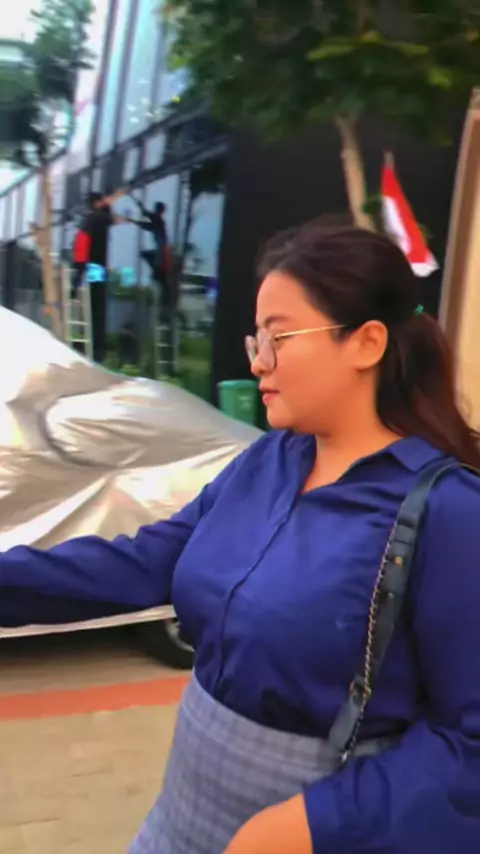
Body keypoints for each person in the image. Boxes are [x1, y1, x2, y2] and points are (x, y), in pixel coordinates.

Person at [1, 223, 480, 854]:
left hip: (316, 830)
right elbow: (149, 562)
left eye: (280, 337)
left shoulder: (449, 511)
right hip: (184, 809)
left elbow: (467, 744)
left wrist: (313, 824)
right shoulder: (268, 461)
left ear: (365, 343)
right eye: (257, 338)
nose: (257, 361)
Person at [72, 188, 128, 363]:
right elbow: (114, 218)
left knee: (93, 301)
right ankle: (97, 350)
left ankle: (95, 346)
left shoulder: (89, 219)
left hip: (86, 262)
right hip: (94, 264)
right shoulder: (97, 218)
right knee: (97, 304)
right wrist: (117, 198)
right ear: (97, 203)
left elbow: (110, 216)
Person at [129, 198, 171, 310]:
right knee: (160, 277)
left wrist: (135, 220)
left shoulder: (159, 220)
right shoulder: (158, 219)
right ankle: (161, 300)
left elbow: (148, 221)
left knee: (160, 276)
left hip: (161, 253)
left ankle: (162, 301)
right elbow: (147, 217)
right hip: (161, 252)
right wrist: (139, 208)